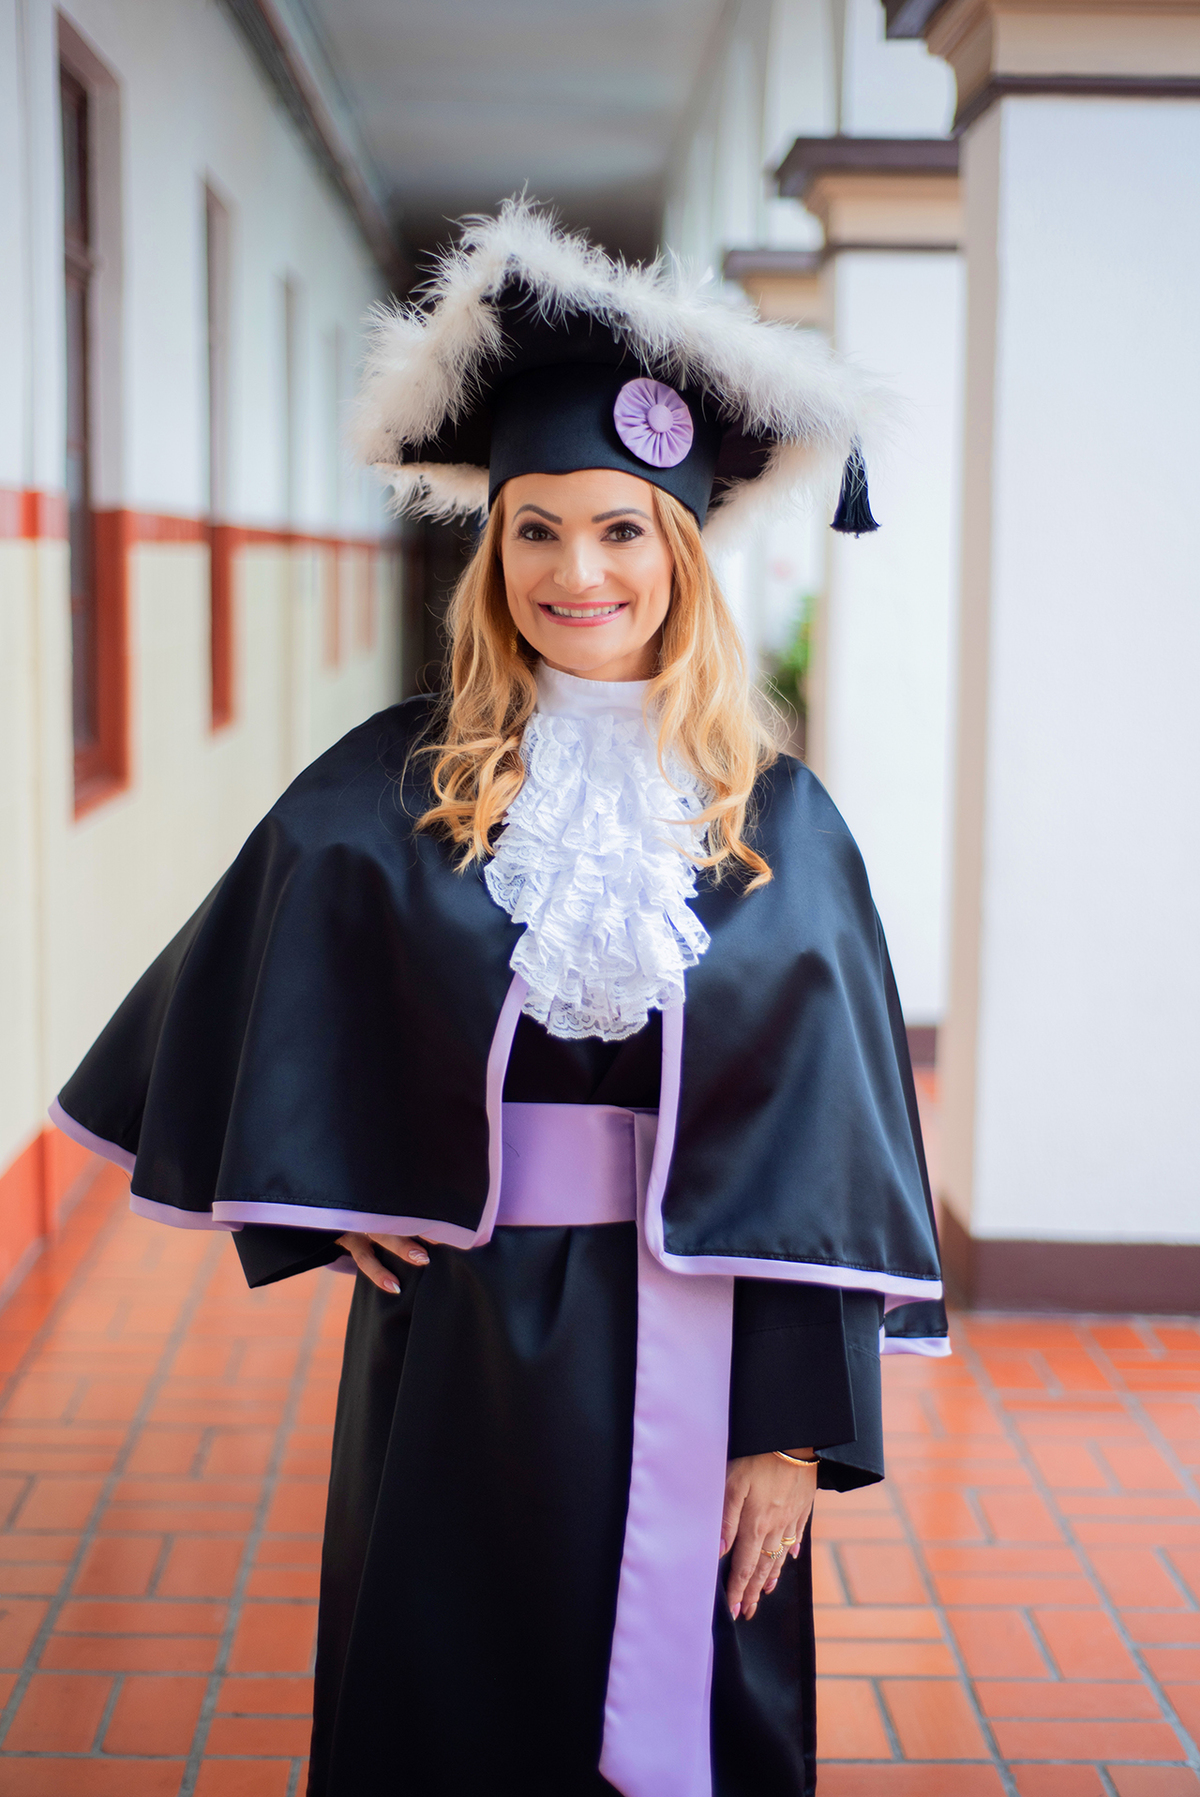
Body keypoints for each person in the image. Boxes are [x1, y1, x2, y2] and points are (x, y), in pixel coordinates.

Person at [51, 200, 947, 1797]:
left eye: (619, 530)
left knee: (695, 1708)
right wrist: (320, 1204)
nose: (574, 571)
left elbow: (828, 1159)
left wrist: (798, 1428)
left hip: (708, 1348)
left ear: (679, 552)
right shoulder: (394, 784)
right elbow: (249, 997)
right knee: (444, 1699)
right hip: (455, 1337)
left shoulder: (781, 823)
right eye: (535, 528)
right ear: (493, 547)